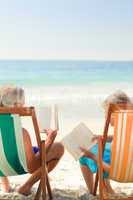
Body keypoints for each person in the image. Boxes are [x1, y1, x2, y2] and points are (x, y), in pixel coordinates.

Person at [0, 85, 64, 195]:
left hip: (3, 165)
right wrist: (49, 140)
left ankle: (5, 186)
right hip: (17, 165)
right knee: (59, 148)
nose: (24, 105)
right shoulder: (22, 133)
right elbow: (32, 167)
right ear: (16, 105)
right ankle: (26, 186)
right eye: (23, 102)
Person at [79, 90, 131, 195]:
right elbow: (121, 139)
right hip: (129, 168)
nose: (105, 115)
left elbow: (110, 169)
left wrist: (92, 156)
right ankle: (109, 188)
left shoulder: (117, 145)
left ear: (114, 114)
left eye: (106, 111)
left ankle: (92, 192)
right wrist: (104, 137)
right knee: (101, 147)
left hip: (117, 171)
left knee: (83, 156)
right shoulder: (128, 130)